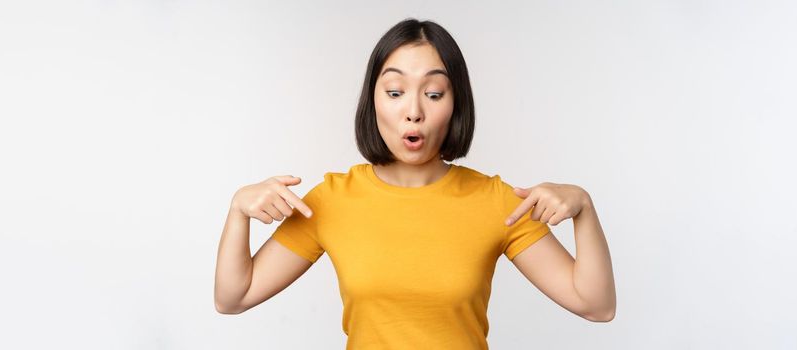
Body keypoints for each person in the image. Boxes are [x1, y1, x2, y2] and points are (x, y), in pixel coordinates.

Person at [214, 18, 616, 349]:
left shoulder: (495, 201)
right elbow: (233, 297)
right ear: (373, 101)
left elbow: (596, 305)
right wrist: (237, 211)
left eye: (434, 93)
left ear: (455, 104)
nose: (414, 111)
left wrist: (584, 207)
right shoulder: (333, 200)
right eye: (394, 91)